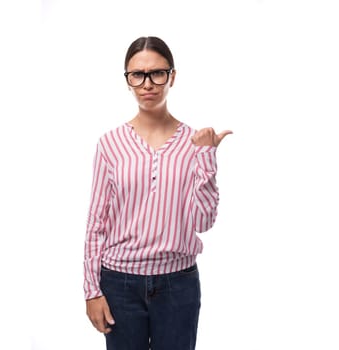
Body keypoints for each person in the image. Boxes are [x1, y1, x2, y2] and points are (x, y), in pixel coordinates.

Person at [83, 36, 232, 350]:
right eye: (137, 75)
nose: (147, 84)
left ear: (172, 76)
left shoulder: (194, 142)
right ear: (128, 80)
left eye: (157, 73)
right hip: (120, 283)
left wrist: (206, 156)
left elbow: (203, 221)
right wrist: (92, 291)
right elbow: (96, 223)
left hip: (177, 284)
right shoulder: (110, 144)